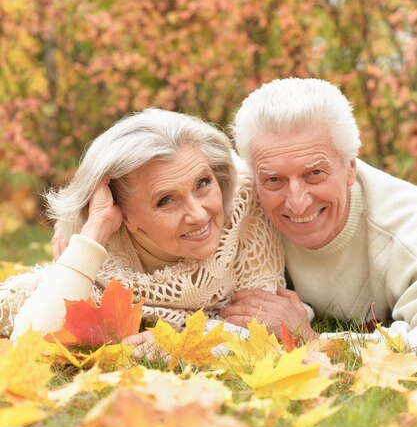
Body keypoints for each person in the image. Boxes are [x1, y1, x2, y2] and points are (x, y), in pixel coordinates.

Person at [0, 108, 286, 344]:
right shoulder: (100, 255)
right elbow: (30, 340)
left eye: (203, 183)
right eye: (166, 201)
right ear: (124, 215)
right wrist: (95, 233)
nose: (199, 215)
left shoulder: (246, 205)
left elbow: (264, 331)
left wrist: (177, 341)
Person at [220, 77, 417, 346]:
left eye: (314, 173)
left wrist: (311, 339)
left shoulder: (406, 231)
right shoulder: (239, 209)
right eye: (274, 179)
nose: (297, 203)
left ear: (350, 167)